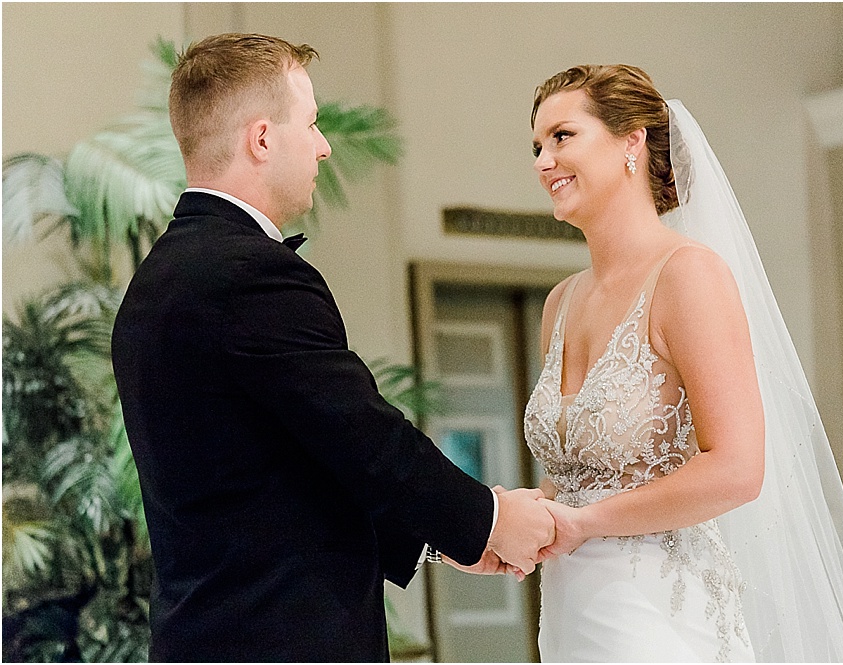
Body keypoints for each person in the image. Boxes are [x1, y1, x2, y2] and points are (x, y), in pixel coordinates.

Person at [111, 33, 551, 662]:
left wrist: (441, 538)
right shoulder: (248, 274)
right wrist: (489, 518)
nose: (322, 146)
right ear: (262, 140)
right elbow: (363, 436)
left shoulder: (154, 284)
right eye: (312, 124)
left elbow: (285, 470)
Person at [523, 65, 843, 662]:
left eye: (562, 137)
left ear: (631, 142)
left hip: (660, 615)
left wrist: (584, 523)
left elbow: (738, 468)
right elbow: (579, 473)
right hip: (572, 612)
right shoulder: (560, 303)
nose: (542, 161)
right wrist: (525, 518)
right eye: (536, 146)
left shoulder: (688, 275)